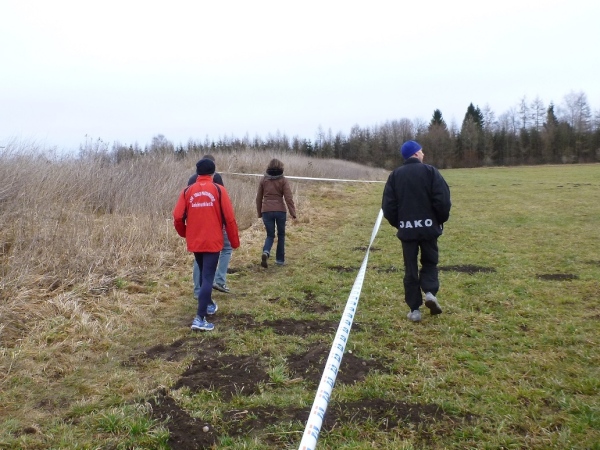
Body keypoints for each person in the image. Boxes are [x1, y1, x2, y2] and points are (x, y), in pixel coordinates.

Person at [382, 140, 451, 322]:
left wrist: (400, 224)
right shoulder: (430, 172)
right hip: (429, 229)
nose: (423, 154)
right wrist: (438, 220)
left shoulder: (395, 175)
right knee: (430, 262)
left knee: (410, 268)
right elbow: (443, 200)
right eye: (421, 151)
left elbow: (388, 206)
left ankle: (414, 310)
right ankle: (430, 292)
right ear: (415, 154)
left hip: (407, 231)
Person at [174, 158, 240, 331]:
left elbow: (178, 217)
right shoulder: (219, 190)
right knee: (208, 277)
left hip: (195, 241)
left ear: (197, 172)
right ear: (213, 172)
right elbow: (229, 218)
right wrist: (234, 241)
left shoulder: (187, 191)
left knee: (205, 274)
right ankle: (200, 318)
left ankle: (208, 304)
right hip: (213, 241)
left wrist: (185, 233)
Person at [187, 155, 233, 294]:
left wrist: (186, 229)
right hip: (215, 226)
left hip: (196, 226)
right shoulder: (216, 178)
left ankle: (198, 289)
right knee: (227, 248)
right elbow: (223, 203)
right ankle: (219, 280)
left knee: (199, 256)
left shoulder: (191, 180)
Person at [256, 158, 296, 268]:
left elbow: (258, 198)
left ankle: (266, 252)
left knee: (270, 235)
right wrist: (293, 212)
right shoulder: (283, 180)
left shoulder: (263, 180)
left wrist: (259, 213)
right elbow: (288, 197)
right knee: (281, 235)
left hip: (266, 211)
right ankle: (280, 260)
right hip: (280, 211)